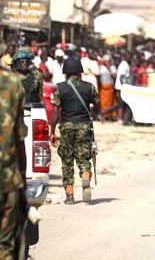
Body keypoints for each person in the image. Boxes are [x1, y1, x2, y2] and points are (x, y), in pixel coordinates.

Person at [0, 22, 28, 260]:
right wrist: (23, 182)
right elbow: (19, 139)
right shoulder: (12, 83)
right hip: (4, 182)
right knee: (4, 250)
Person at [50, 57, 99, 204]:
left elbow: (56, 111)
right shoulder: (89, 87)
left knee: (67, 161)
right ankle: (85, 178)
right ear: (80, 71)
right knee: (83, 157)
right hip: (84, 126)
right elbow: (96, 105)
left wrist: (52, 131)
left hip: (66, 126)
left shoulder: (60, 88)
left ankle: (70, 196)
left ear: (65, 71)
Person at [99, 55, 117, 120]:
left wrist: (109, 69)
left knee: (110, 101)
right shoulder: (101, 67)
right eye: (106, 61)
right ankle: (104, 115)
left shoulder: (113, 67)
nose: (107, 62)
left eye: (109, 61)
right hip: (103, 87)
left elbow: (115, 76)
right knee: (104, 101)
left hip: (110, 86)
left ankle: (110, 115)